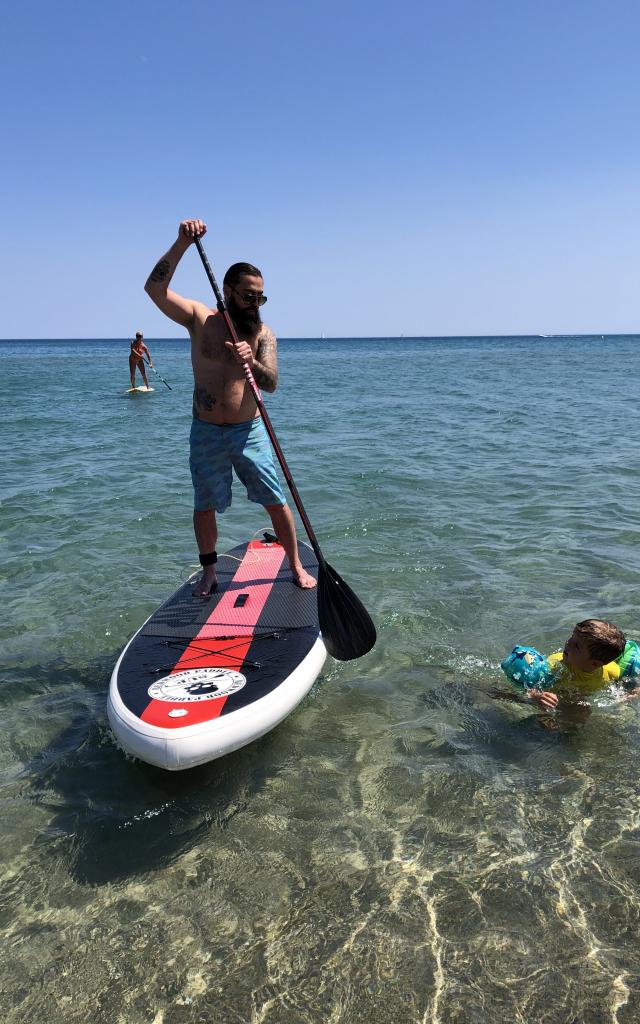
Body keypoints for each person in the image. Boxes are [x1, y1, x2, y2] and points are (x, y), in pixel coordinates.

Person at [144, 218, 316, 596]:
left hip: (248, 430)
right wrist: (181, 244)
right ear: (227, 291)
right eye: (248, 296)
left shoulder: (262, 334)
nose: (255, 304)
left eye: (261, 297)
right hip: (205, 430)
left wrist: (250, 361)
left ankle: (296, 565)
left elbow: (271, 383)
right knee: (203, 505)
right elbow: (154, 289)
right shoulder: (199, 319)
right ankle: (209, 572)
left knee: (275, 499)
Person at [529, 618, 637, 711]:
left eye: (576, 646)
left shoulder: (611, 671)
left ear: (594, 664)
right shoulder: (554, 665)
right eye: (572, 636)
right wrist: (537, 697)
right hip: (555, 700)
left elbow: (629, 685)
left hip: (580, 701)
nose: (568, 643)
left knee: (581, 710)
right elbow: (529, 687)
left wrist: (630, 695)